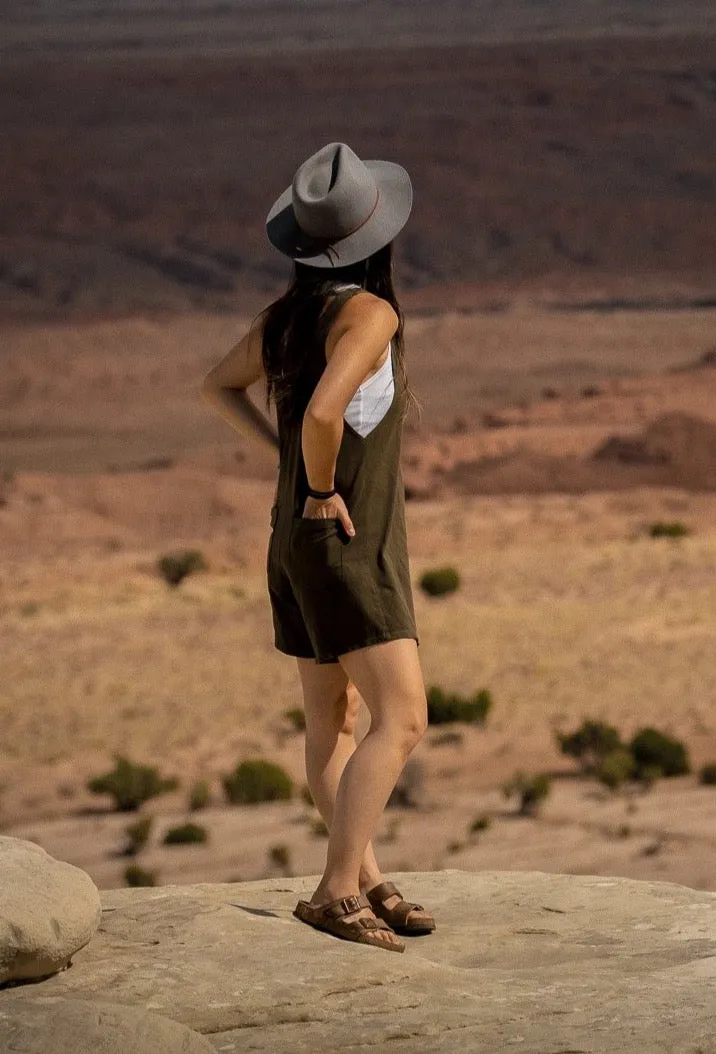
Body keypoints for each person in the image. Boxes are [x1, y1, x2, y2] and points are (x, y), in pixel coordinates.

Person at [200, 142, 434, 953]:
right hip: (342, 544)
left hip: (293, 544)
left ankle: (365, 876)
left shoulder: (290, 318)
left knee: (333, 722)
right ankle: (336, 890)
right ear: (377, 236)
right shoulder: (371, 315)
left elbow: (216, 386)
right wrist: (320, 482)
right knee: (402, 719)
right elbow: (325, 417)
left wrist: (285, 464)